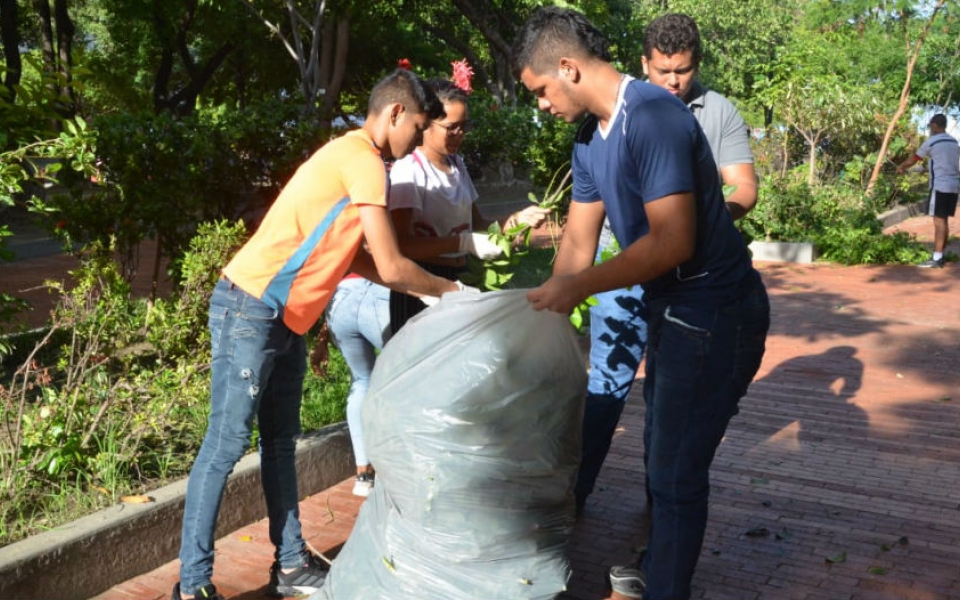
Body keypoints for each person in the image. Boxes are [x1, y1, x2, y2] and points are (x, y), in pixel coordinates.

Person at [173, 69, 465, 600]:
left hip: (283, 318)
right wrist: (450, 291)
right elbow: (395, 267)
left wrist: (445, 275)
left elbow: (364, 258)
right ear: (395, 113)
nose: (418, 139)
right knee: (225, 444)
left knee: (279, 441)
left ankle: (289, 565)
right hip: (252, 306)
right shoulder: (363, 161)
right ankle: (192, 585)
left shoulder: (356, 159)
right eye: (418, 126)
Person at [511, 8, 770, 600]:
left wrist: (577, 288)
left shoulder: (653, 116)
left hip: (715, 311)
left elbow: (672, 241)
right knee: (663, 455)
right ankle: (660, 570)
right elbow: (577, 242)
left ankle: (665, 585)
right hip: (673, 310)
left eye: (542, 90)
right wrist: (539, 319)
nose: (542, 105)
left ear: (569, 68)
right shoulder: (588, 138)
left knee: (674, 474)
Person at [575, 12, 758, 517]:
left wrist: (702, 220)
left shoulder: (718, 110)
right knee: (607, 384)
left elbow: (744, 186)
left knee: (665, 397)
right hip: (622, 271)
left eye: (683, 70)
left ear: (695, 64)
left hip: (687, 280)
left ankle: (661, 505)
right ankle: (574, 495)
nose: (674, 81)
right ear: (644, 64)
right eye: (662, 71)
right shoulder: (616, 115)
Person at [388, 76, 550, 333]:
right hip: (422, 286)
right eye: (451, 127)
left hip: (461, 277)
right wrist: (463, 242)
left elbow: (479, 224)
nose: (459, 134)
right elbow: (402, 246)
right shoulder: (409, 171)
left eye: (464, 126)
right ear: (426, 123)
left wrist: (516, 221)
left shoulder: (456, 164)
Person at [321, 275, 391, 497]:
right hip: (380, 293)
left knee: (361, 380)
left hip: (340, 298)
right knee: (411, 372)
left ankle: (363, 473)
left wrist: (322, 339)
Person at [896, 113, 959, 268]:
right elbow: (944, 163)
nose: (930, 128)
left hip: (940, 186)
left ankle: (936, 259)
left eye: (931, 125)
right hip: (953, 186)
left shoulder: (931, 142)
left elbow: (914, 159)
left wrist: (901, 167)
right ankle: (941, 254)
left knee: (938, 221)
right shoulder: (954, 142)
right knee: (943, 220)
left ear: (934, 125)